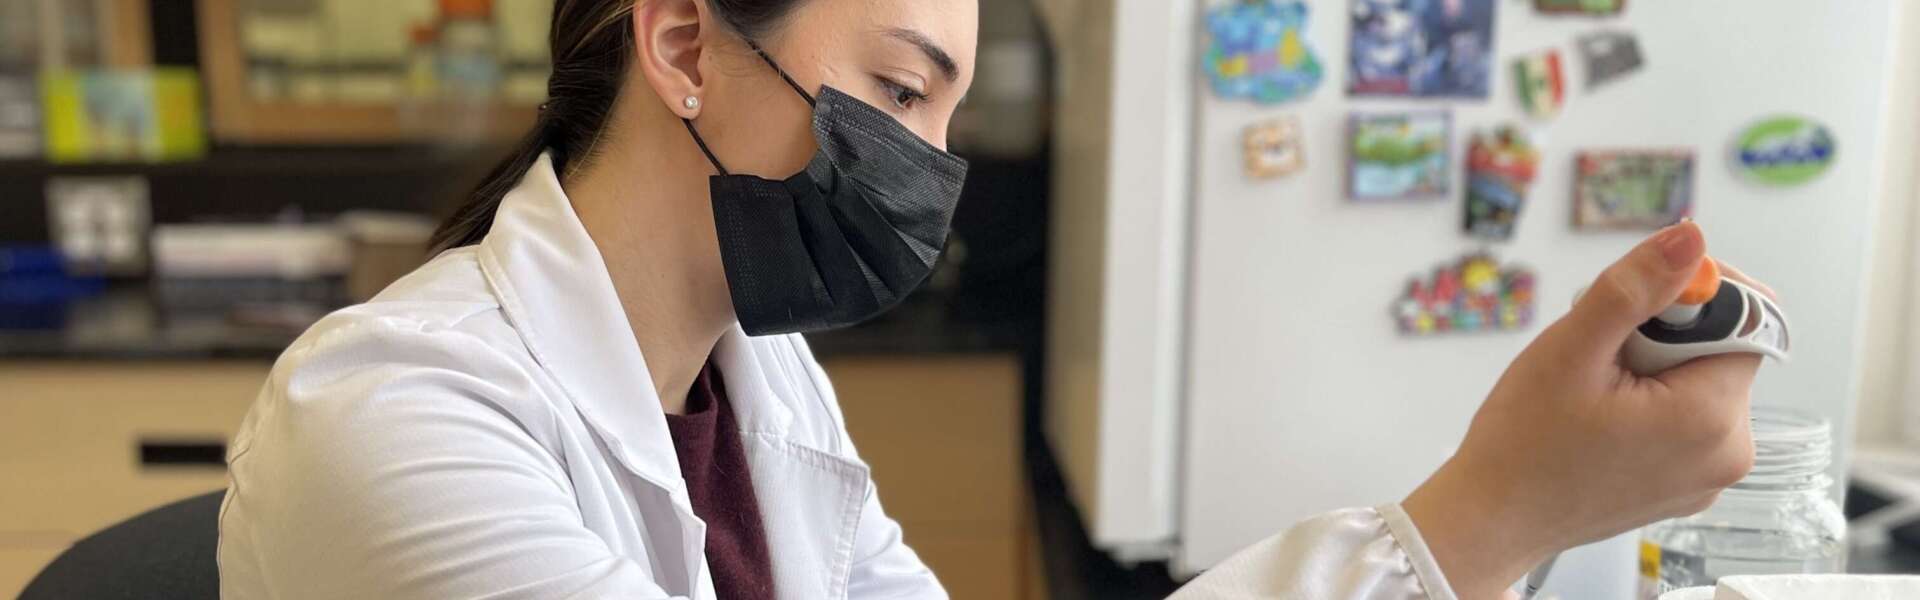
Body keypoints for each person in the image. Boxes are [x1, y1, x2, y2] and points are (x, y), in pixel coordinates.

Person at [215, 0, 1769, 598]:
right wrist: (1485, 514)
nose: (932, 165)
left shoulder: (767, 394)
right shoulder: (397, 411)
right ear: (683, 45)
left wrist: (1479, 524)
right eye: (900, 87)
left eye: (949, 108)